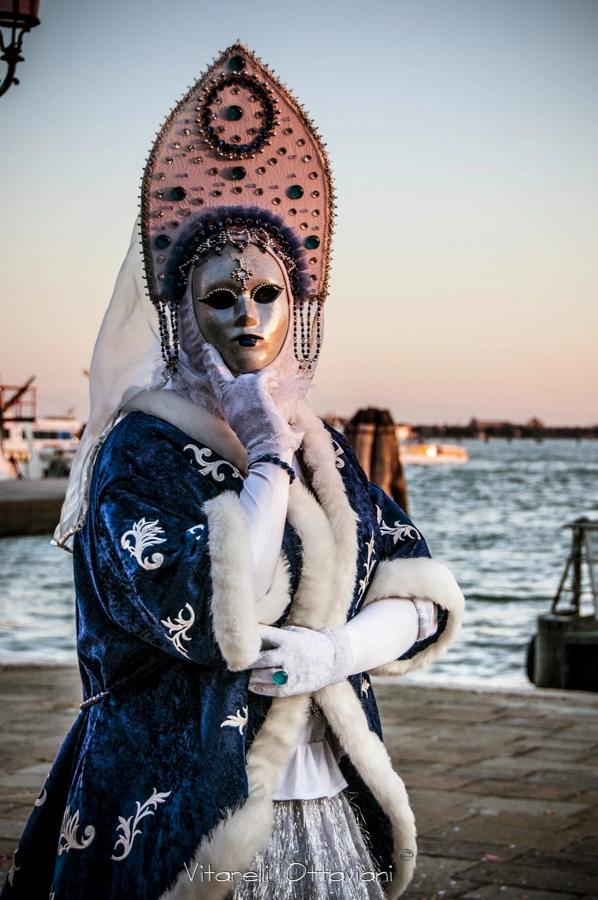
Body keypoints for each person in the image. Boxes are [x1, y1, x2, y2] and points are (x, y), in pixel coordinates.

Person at [1, 43, 463, 900]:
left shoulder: (322, 449)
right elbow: (220, 616)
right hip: (177, 806)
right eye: (221, 297)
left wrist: (336, 651)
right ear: (183, 313)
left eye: (267, 295)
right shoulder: (137, 454)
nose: (247, 315)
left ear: (298, 306)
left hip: (318, 788)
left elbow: (416, 588)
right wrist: (267, 464)